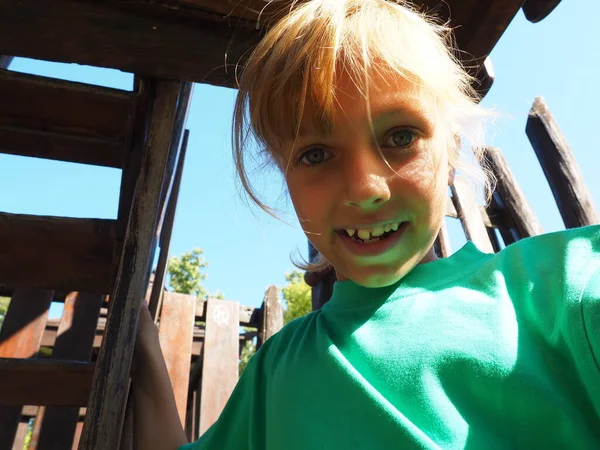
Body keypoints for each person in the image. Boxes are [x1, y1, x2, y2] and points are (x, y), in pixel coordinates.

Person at [132, 0, 600, 448]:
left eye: (401, 137)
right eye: (315, 154)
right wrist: (145, 349)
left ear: (451, 147)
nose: (364, 188)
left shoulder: (559, 288)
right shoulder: (274, 371)